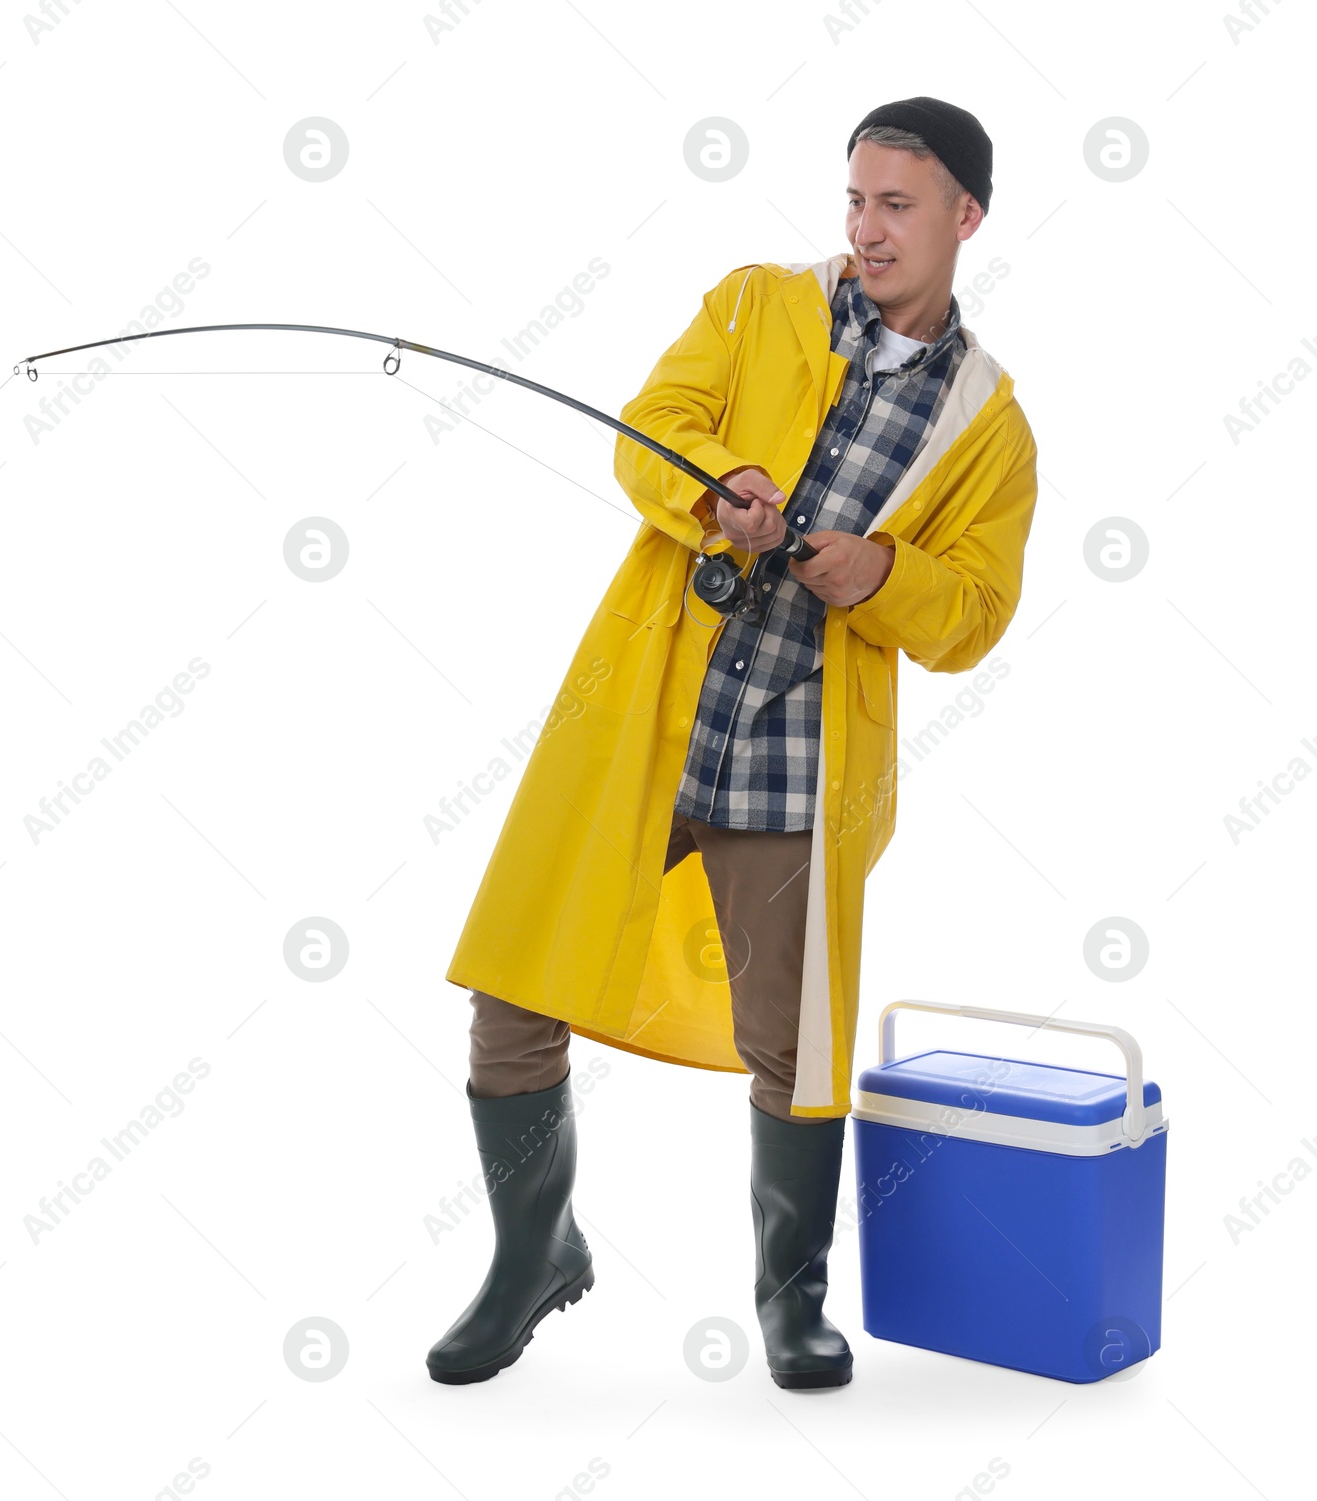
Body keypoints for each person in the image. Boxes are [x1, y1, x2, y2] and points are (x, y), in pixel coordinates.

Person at [428, 96, 1039, 1390]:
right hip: (645, 728)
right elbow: (653, 427)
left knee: (796, 1044)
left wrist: (883, 570)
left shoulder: (989, 426)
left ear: (965, 218)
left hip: (798, 759)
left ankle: (790, 1299)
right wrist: (714, 488)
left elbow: (976, 614)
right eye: (858, 200)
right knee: (515, 991)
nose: (869, 231)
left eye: (900, 206)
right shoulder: (756, 304)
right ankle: (532, 1255)